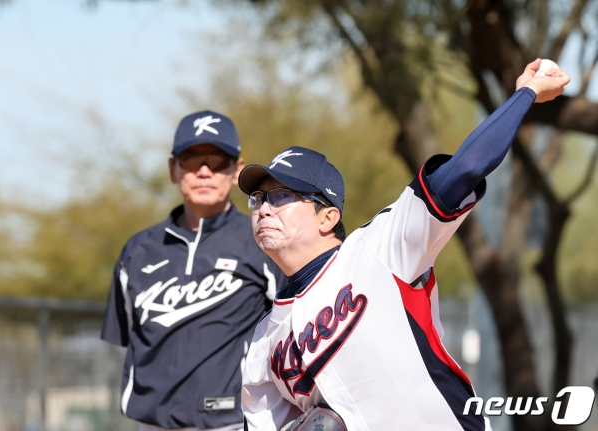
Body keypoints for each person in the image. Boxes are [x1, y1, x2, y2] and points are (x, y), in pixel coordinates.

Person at [238, 59, 570, 430]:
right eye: (258, 199)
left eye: (281, 195)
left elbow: (464, 169)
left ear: (327, 217)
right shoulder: (264, 342)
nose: (264, 208)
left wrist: (525, 94)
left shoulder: (378, 248)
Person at [101, 110, 286, 431]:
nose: (204, 171)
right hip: (151, 424)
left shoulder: (263, 240)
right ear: (173, 169)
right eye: (190, 159)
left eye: (217, 161)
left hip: (232, 422)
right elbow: (124, 338)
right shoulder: (138, 250)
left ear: (236, 170)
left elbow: (293, 331)